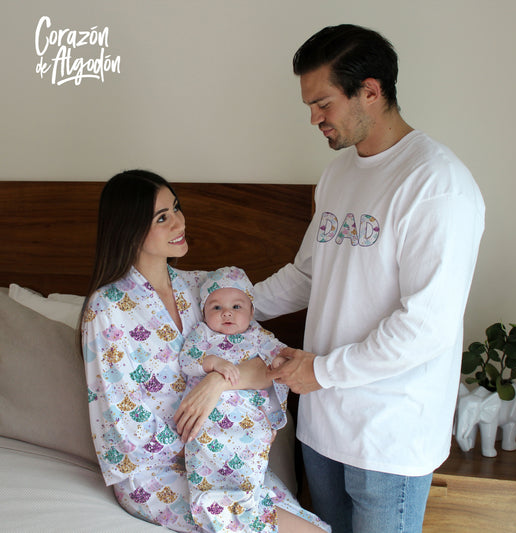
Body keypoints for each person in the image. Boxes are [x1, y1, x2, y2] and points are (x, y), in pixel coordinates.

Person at [253, 24, 485, 533]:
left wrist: (323, 372)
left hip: (388, 437)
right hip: (321, 426)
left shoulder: (436, 184)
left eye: (323, 104)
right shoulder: (338, 175)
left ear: (371, 91)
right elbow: (308, 275)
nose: (314, 118)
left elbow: (425, 326)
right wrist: (223, 300)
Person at [81, 170, 331, 533]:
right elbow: (121, 425)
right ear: (129, 229)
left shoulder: (203, 289)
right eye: (162, 218)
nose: (179, 222)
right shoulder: (106, 308)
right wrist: (209, 432)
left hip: (227, 451)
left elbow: (266, 362)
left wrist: (218, 384)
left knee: (316, 528)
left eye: (176, 208)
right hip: (156, 472)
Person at [180, 266, 301, 532]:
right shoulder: (202, 334)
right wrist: (212, 362)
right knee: (205, 461)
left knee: (249, 466)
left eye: (237, 306)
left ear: (251, 311)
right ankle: (211, 505)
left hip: (249, 420)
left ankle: (245, 506)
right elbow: (188, 360)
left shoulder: (260, 337)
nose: (227, 313)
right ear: (203, 312)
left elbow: (283, 360)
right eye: (216, 307)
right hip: (209, 420)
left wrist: (277, 363)